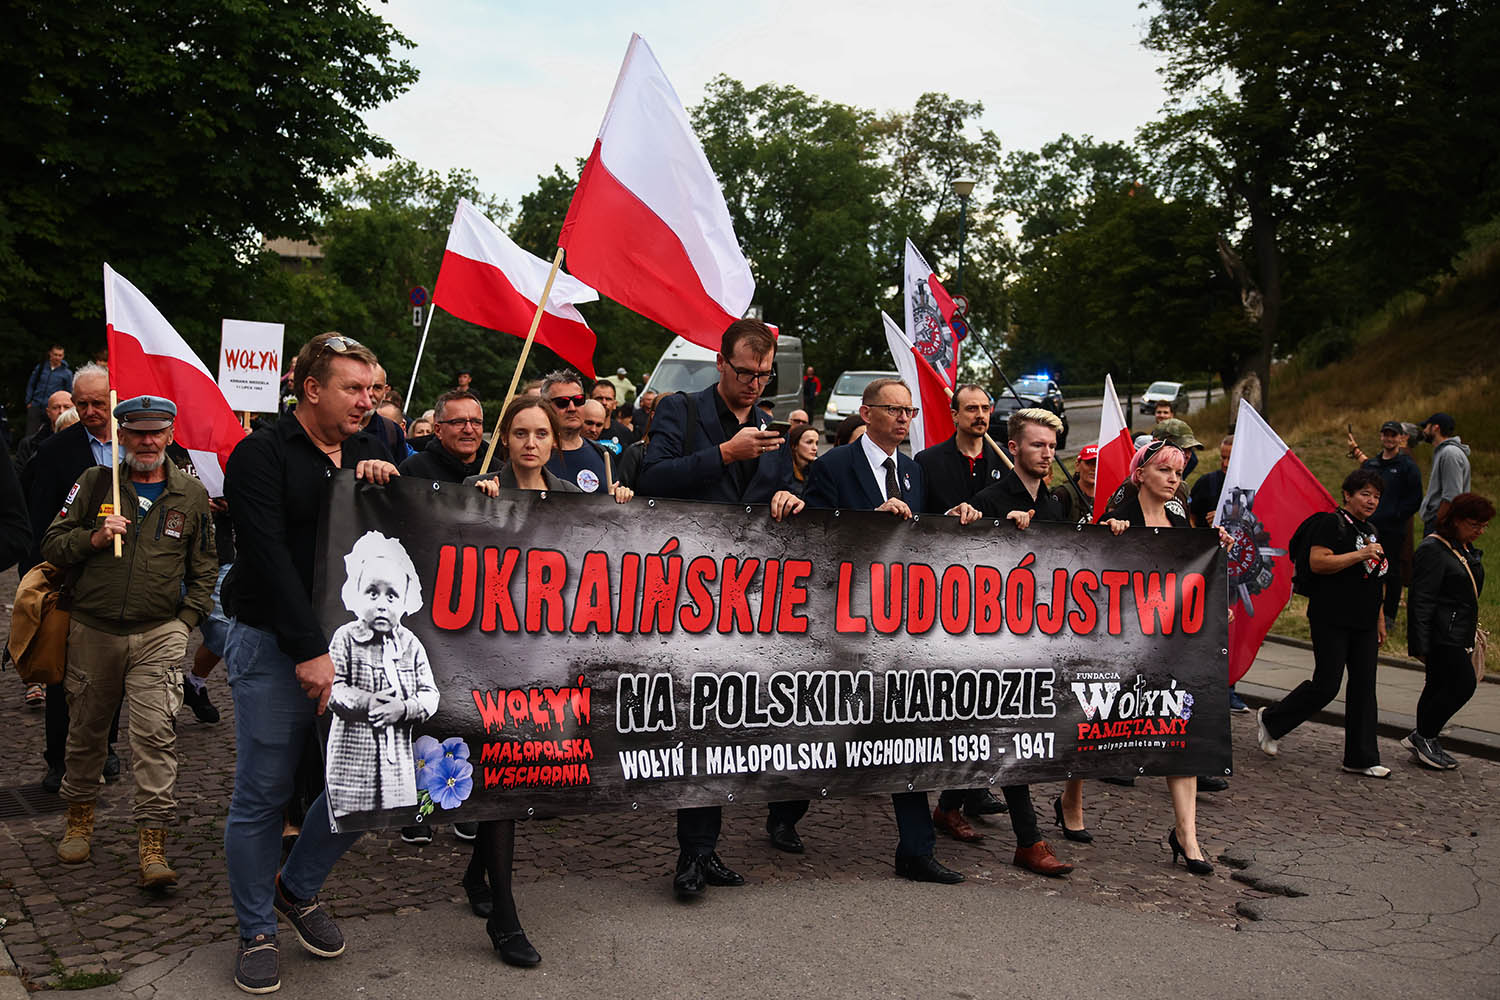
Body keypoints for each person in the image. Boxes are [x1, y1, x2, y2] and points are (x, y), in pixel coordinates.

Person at [220, 332, 399, 994]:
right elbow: (266, 557)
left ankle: (295, 888)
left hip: (358, 649)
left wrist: (387, 481)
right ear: (311, 389)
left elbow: (409, 531)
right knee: (265, 791)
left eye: (372, 389)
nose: (366, 400)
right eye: (353, 388)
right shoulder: (260, 454)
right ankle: (255, 930)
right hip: (274, 643)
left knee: (372, 781)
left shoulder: (376, 447)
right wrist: (310, 652)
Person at [768, 377, 976, 885]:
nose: (905, 419)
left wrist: (951, 517)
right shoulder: (834, 465)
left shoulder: (912, 469)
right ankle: (785, 808)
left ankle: (916, 849)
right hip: (842, 619)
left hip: (896, 624)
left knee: (905, 732)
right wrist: (868, 519)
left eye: (910, 411)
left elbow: (919, 536)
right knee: (828, 730)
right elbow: (817, 538)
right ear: (867, 414)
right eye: (894, 409)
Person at [462, 395, 633, 967]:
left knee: (524, 774)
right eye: (520, 433)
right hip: (491, 659)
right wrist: (474, 504)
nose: (530, 443)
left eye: (540, 433)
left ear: (554, 440)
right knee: (502, 776)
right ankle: (505, 917)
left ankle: (477, 874)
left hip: (550, 659)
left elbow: (602, 557)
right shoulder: (479, 489)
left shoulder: (571, 496)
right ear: (506, 439)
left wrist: (621, 507)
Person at [638, 318, 787, 901]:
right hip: (684, 589)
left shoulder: (770, 427)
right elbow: (653, 478)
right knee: (694, 720)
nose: (755, 383)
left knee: (727, 720)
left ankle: (703, 847)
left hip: (748, 598)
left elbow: (777, 495)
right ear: (721, 363)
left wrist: (791, 495)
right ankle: (692, 853)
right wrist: (725, 453)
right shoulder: (681, 409)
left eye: (765, 374)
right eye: (746, 372)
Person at [43, 395, 216, 888]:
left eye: (155, 432)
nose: (146, 441)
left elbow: (204, 566)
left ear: (170, 435)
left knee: (156, 734)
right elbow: (52, 543)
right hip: (94, 629)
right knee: (86, 732)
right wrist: (94, 538)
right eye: (137, 432)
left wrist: (186, 621)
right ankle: (79, 818)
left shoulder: (189, 494)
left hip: (158, 632)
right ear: (122, 436)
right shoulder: (94, 483)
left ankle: (152, 843)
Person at [1092, 440, 1226, 874]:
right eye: (1165, 470)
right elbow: (1088, 571)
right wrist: (1107, 535)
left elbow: (1190, 571)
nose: (1173, 479)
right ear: (1140, 475)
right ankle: (1070, 801)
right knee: (1093, 729)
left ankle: (1188, 836)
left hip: (1171, 643)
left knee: (1178, 728)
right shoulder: (1120, 516)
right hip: (1120, 645)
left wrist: (1213, 581)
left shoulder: (1177, 518)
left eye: (1178, 472)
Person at [961, 409, 1077, 876]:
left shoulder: (1055, 505)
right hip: (991, 640)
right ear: (1013, 448)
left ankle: (948, 806)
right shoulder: (989, 499)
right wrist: (996, 532)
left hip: (1039, 638)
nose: (1047, 454)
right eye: (1037, 445)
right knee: (1012, 735)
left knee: (995, 731)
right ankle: (1029, 840)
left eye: (1051, 446)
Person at [20, 363, 122, 791]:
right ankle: (57, 757)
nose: (90, 411)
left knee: (111, 670)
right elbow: (40, 520)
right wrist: (36, 578)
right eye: (82, 404)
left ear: (114, 399)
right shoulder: (56, 451)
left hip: (120, 577)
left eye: (98, 402)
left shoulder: (135, 443)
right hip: (70, 576)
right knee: (63, 674)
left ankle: (106, 746)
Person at [915, 384, 1011, 824]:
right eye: (971, 408)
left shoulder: (1003, 465)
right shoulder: (929, 462)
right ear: (954, 414)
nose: (980, 415)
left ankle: (972, 788)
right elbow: (915, 522)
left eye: (985, 407)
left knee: (984, 692)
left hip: (991, 593)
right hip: (939, 590)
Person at [1257, 468, 1390, 777]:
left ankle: (1361, 758)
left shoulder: (1371, 530)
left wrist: (1380, 618)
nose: (1371, 501)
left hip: (1365, 619)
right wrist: (1360, 554)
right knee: (1327, 684)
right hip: (1331, 616)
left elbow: (1376, 577)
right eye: (1365, 494)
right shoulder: (1331, 523)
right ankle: (1272, 720)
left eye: (1376, 496)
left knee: (1364, 686)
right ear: (1348, 495)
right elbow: (1318, 562)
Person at [326, 532, 437, 818]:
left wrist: (405, 708)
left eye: (392, 595)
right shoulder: (346, 638)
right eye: (372, 593)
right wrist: (367, 702)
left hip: (396, 767)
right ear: (356, 593)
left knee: (392, 813)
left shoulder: (411, 645)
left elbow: (430, 694)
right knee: (346, 816)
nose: (382, 604)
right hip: (352, 764)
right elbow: (332, 687)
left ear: (405, 601)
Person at [1404, 493, 1493, 769]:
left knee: (1437, 686)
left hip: (1457, 630)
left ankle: (1425, 738)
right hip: (1442, 634)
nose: (1479, 531)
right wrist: (1419, 644)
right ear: (1455, 520)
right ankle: (1424, 735)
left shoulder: (1463, 547)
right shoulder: (1434, 549)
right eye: (1474, 525)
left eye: (1483, 526)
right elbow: (1421, 599)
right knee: (1462, 684)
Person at [1187, 434, 1250, 714]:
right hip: (1209, 566)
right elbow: (1189, 518)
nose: (1225, 463)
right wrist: (1204, 526)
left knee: (1233, 631)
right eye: (1222, 457)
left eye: (1230, 458)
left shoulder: (1251, 485)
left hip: (1240, 568)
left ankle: (1229, 688)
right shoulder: (1208, 483)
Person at [1347, 421, 1423, 628]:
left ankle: (1389, 615)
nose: (1389, 439)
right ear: (1381, 437)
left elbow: (1415, 498)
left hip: (1393, 529)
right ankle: (1364, 608)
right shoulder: (1372, 465)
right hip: (1367, 527)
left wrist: (1396, 515)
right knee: (1364, 567)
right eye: (1386, 435)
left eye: (1393, 435)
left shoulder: (1407, 466)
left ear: (1400, 438)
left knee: (1391, 571)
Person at [542, 371, 614, 493]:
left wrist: (623, 494)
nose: (572, 408)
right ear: (545, 405)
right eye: (562, 402)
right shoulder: (534, 454)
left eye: (578, 400)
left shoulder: (602, 453)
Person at [400, 391, 485, 485]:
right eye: (458, 422)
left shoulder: (495, 471)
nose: (469, 430)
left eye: (476, 422)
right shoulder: (414, 470)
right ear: (438, 430)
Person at [1418, 412, 1471, 537]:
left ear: (1435, 428)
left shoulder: (1449, 453)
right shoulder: (1445, 452)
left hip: (1444, 523)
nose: (1424, 431)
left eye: (1426, 427)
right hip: (1442, 521)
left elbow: (1451, 496)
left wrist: (1437, 525)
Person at [15, 388, 72, 471]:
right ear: (48, 412)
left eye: (67, 407)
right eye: (56, 408)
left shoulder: (86, 441)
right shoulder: (29, 445)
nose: (61, 411)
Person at [25, 344, 73, 436]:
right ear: (50, 354)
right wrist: (29, 401)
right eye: (55, 354)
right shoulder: (41, 367)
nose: (57, 357)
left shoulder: (67, 373)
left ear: (63, 356)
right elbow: (31, 384)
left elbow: (68, 392)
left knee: (53, 433)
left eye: (60, 355)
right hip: (36, 405)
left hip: (54, 408)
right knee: (31, 433)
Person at [1052, 443, 1098, 526]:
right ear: (1077, 466)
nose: (1094, 469)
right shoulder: (1063, 494)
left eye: (1098, 464)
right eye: (1089, 463)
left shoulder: (1107, 499)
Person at [589, 379, 637, 449]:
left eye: (608, 399)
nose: (604, 402)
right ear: (589, 401)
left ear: (615, 404)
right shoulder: (579, 431)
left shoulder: (625, 433)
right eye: (599, 398)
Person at [782, 423, 820, 495]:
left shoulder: (817, 470)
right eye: (809, 442)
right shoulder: (784, 473)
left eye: (816, 443)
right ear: (794, 445)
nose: (815, 448)